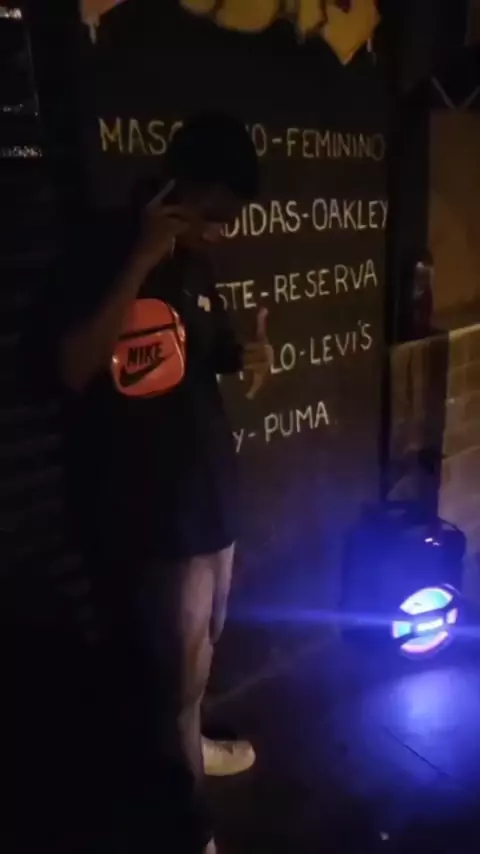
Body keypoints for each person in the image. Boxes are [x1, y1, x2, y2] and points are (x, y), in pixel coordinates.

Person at [48, 112, 271, 852]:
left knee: (202, 655)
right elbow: (70, 368)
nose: (220, 233)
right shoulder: (101, 249)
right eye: (213, 216)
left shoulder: (197, 261)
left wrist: (249, 357)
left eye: (229, 220)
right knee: (169, 680)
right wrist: (141, 260)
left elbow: (210, 350)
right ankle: (186, 825)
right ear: (179, 185)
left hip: (213, 496)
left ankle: (189, 750)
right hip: (154, 514)